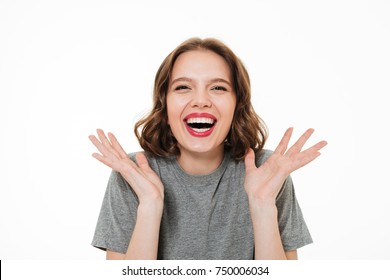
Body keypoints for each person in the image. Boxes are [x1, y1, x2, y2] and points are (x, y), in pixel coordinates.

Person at [88, 37, 327, 260]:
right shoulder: (133, 173)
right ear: (165, 105)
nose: (200, 100)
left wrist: (262, 204)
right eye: (182, 87)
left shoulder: (267, 170)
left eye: (218, 88)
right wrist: (150, 203)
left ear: (237, 105)